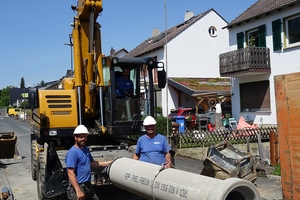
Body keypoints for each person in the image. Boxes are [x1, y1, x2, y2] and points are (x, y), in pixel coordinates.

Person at [65, 125, 113, 200]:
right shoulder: (73, 153)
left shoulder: (85, 149)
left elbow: (91, 162)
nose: (83, 139)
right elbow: (70, 172)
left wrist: (106, 163)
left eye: (85, 136)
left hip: (87, 184)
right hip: (78, 185)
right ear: (75, 137)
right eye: (81, 137)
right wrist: (78, 191)